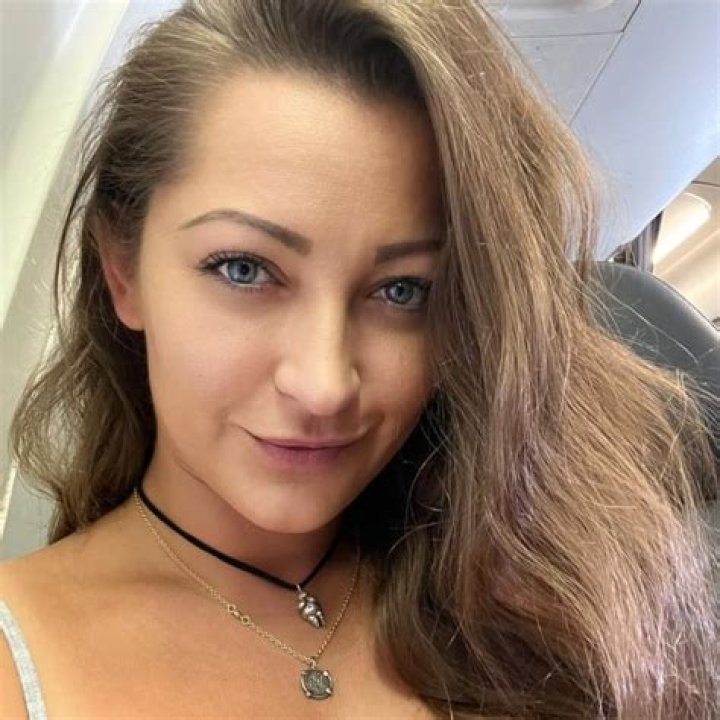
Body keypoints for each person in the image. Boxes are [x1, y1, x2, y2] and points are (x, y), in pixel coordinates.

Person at [1, 1, 717, 718]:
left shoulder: (558, 603)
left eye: (403, 290)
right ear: (123, 271)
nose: (323, 385)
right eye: (245, 270)